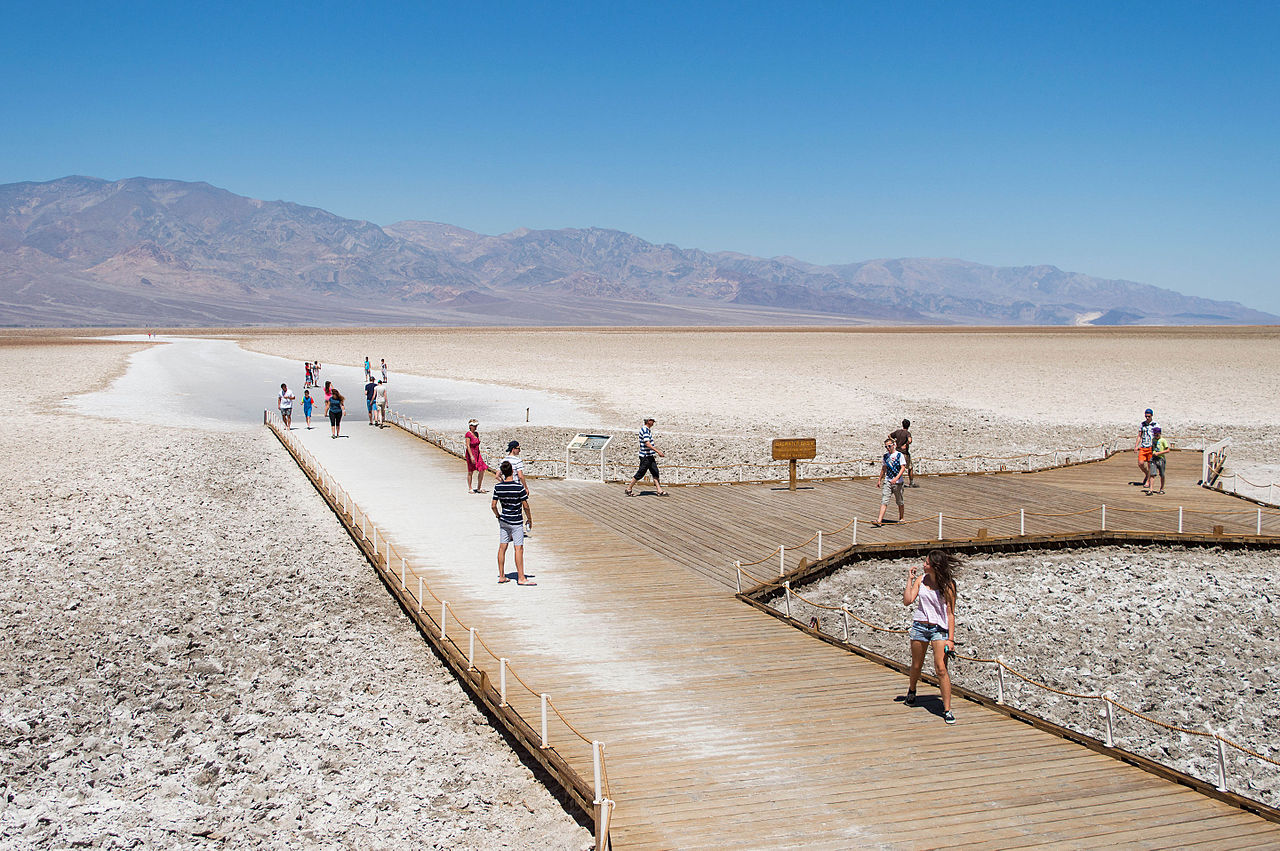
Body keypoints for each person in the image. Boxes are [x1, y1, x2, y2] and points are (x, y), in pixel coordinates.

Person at [902, 550, 960, 725]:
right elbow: (907, 601)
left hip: (939, 629)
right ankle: (912, 690)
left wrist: (951, 639)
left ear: (935, 566)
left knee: (941, 668)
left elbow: (950, 614)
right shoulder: (921, 580)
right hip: (920, 626)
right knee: (916, 665)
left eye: (927, 563)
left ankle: (947, 709)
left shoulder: (948, 585)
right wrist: (910, 580)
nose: (923, 564)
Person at [492, 461, 534, 585]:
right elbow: (525, 506)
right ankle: (521, 577)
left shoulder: (498, 487)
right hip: (516, 521)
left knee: (502, 547)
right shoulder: (518, 487)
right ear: (512, 471)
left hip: (504, 520)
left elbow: (493, 505)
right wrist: (529, 519)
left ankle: (502, 576)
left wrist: (498, 515)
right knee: (518, 548)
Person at [625, 417, 668, 497]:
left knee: (655, 471)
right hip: (645, 456)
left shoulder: (647, 430)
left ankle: (659, 490)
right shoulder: (645, 430)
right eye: (652, 421)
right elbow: (647, 444)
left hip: (649, 456)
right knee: (641, 473)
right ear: (648, 421)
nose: (653, 422)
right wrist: (658, 451)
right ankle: (629, 488)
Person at [875, 437, 907, 526]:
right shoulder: (886, 456)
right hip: (888, 481)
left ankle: (901, 518)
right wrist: (879, 479)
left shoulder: (899, 455)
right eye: (886, 447)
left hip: (898, 483)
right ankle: (879, 520)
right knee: (884, 500)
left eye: (889, 446)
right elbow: (884, 468)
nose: (888, 448)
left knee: (899, 501)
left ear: (894, 445)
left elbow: (903, 467)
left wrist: (896, 478)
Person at [1135, 408, 1159, 488]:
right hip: (1143, 446)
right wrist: (1136, 446)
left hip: (1151, 447)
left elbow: (1158, 436)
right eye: (1146, 416)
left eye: (1149, 416)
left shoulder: (1155, 425)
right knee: (1140, 463)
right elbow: (1139, 435)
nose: (1147, 418)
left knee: (1149, 465)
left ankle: (1148, 481)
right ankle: (1146, 473)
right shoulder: (1142, 424)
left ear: (1152, 416)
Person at [890, 419, 916, 487]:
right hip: (904, 453)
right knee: (910, 467)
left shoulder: (898, 432)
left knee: (898, 467)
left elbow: (889, 435)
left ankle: (898, 481)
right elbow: (910, 440)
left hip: (897, 452)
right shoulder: (907, 433)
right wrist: (906, 444)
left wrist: (894, 441)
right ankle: (911, 482)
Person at [465, 419, 489, 493]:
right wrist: (471, 456)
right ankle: (470, 488)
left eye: (476, 426)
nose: (475, 427)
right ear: (470, 426)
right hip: (471, 453)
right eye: (474, 426)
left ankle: (479, 487)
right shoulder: (468, 434)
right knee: (470, 471)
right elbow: (468, 446)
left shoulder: (476, 434)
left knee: (482, 469)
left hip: (477, 453)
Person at [1147, 426, 1169, 494]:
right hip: (1154, 458)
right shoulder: (1153, 440)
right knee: (1152, 474)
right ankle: (1151, 489)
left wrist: (1159, 453)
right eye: (1154, 434)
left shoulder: (1163, 440)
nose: (1155, 436)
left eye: (1156, 434)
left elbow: (1167, 450)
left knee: (1162, 474)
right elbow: (1153, 448)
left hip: (1161, 458)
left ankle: (1162, 489)